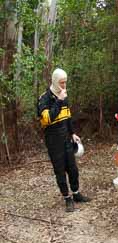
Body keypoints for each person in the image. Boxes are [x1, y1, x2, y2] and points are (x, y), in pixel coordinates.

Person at [37, 68, 90, 212]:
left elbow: (67, 117)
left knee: (73, 169)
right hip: (54, 141)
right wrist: (59, 101)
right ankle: (67, 198)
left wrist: (72, 133)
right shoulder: (44, 98)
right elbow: (47, 119)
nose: (64, 86)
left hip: (67, 138)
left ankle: (76, 193)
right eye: (61, 83)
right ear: (54, 82)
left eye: (65, 83)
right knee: (60, 171)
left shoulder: (64, 96)